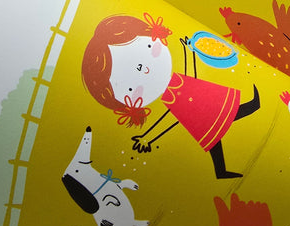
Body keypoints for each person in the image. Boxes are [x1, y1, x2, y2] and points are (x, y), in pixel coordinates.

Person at [81, 13, 261, 179]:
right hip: (193, 113)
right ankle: (222, 167)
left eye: (148, 47)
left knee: (222, 120)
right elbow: (169, 119)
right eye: (130, 89)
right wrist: (147, 138)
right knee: (217, 131)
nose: (142, 69)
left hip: (200, 99)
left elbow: (192, 74)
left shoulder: (177, 80)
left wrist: (189, 53)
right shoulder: (169, 98)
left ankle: (251, 109)